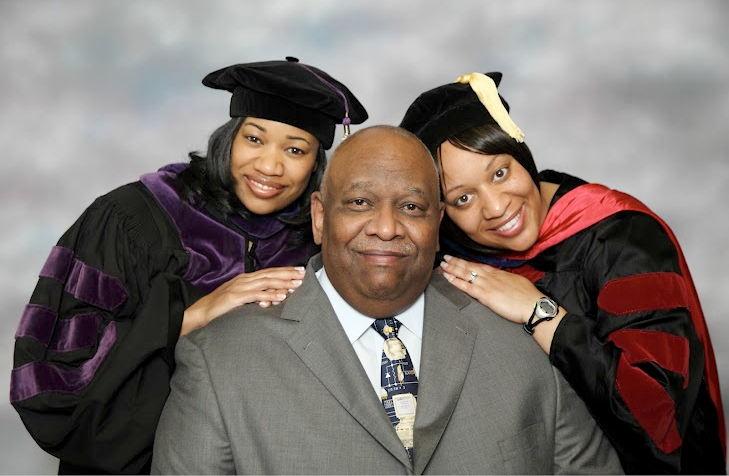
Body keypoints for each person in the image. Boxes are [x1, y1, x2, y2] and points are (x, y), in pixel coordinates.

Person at [151, 125, 622, 474]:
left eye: (411, 207)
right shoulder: (219, 360)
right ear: (319, 217)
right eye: (359, 203)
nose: (386, 227)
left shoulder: (520, 335)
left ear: (438, 224)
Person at [9, 56, 368, 475]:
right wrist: (192, 315)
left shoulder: (318, 245)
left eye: (295, 149)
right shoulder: (134, 219)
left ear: (316, 164)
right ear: (229, 139)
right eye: (254, 139)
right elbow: (55, 373)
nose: (270, 167)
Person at [399, 71, 726, 474]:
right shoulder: (455, 261)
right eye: (463, 198)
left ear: (522, 155)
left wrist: (541, 313)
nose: (496, 207)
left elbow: (660, 417)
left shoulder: (620, 239)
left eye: (500, 173)